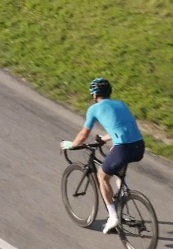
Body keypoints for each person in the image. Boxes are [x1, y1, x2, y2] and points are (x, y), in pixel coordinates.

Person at [60, 78, 146, 234]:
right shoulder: (121, 104)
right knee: (118, 170)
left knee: (102, 176)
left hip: (124, 148)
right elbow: (123, 127)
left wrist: (71, 145)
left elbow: (83, 135)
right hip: (139, 146)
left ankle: (113, 216)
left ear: (94, 94)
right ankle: (124, 198)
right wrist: (104, 138)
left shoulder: (94, 109)